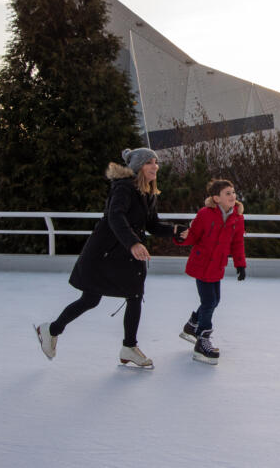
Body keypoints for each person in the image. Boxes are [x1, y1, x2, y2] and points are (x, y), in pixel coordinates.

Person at [35, 147, 185, 368]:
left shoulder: (148, 193)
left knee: (133, 295)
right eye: (149, 162)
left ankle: (128, 347)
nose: (155, 166)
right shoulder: (124, 188)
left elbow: (152, 224)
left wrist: (175, 230)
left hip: (123, 253)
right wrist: (133, 242)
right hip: (105, 253)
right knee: (91, 299)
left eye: (155, 162)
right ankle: (51, 329)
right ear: (138, 167)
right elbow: (115, 216)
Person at [176, 178, 247, 365]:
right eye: (228, 193)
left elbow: (237, 243)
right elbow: (193, 235)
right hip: (201, 264)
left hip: (217, 265)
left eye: (233, 192)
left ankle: (192, 325)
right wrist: (181, 237)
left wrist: (240, 264)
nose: (233, 196)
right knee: (209, 302)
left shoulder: (237, 218)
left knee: (214, 300)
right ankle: (202, 340)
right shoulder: (205, 214)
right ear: (216, 198)